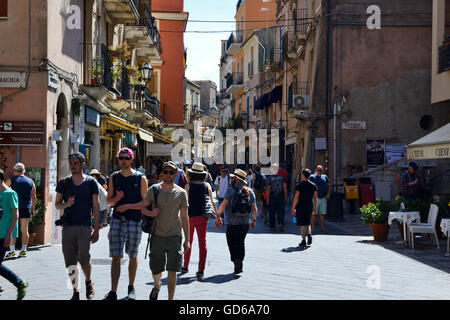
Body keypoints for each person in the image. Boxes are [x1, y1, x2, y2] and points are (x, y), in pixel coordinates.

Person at [103, 148, 148, 300]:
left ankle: (131, 287)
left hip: (134, 221)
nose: (123, 160)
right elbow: (108, 200)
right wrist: (117, 199)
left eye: (126, 158)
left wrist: (128, 206)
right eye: (121, 158)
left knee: (133, 255)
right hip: (117, 220)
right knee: (116, 256)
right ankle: (113, 291)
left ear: (131, 159)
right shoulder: (114, 177)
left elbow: (146, 202)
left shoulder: (140, 178)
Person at [55, 152, 100, 300]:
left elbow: (96, 205)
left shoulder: (91, 182)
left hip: (85, 227)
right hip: (68, 227)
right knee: (70, 262)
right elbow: (57, 205)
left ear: (83, 164)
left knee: (84, 259)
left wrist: (97, 229)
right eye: (71, 163)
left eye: (76, 163)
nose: (73, 166)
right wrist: (66, 204)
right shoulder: (63, 182)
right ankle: (75, 291)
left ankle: (88, 281)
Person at [143, 161, 190, 300]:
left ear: (176, 174)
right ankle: (157, 285)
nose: (168, 175)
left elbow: (184, 216)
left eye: (171, 172)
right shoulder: (154, 189)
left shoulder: (181, 193)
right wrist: (150, 213)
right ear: (162, 173)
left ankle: (171, 298)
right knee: (156, 269)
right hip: (157, 234)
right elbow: (143, 207)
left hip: (175, 236)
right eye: (166, 172)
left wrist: (187, 240)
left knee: (173, 269)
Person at [215, 169, 257, 275]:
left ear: (237, 179)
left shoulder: (230, 190)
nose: (232, 178)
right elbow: (254, 207)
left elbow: (223, 204)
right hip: (245, 222)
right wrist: (254, 220)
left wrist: (218, 216)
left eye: (233, 177)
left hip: (232, 222)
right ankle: (240, 261)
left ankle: (236, 260)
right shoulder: (249, 191)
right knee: (241, 242)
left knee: (231, 242)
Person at [182, 163, 216, 279]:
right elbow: (212, 202)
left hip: (189, 217)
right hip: (202, 217)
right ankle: (201, 269)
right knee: (203, 243)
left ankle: (185, 266)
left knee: (188, 241)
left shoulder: (188, 186)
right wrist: (217, 216)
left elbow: (184, 204)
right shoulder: (207, 186)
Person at [0, 169, 28, 300]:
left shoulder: (10, 194)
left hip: (4, 234)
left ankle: (19, 283)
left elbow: (15, 215)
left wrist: (9, 235)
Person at [4, 163, 36, 258]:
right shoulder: (31, 181)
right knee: (24, 229)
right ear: (24, 171)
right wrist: (32, 208)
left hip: (13, 208)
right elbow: (33, 197)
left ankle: (12, 251)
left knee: (13, 229)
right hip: (26, 207)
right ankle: (23, 250)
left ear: (14, 170)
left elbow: (3, 192)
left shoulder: (10, 180)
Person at [291, 169, 318, 248]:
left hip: (301, 206)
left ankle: (303, 241)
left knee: (302, 224)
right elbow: (316, 198)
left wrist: (293, 208)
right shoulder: (313, 185)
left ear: (303, 175)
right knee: (307, 222)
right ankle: (309, 234)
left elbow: (296, 198)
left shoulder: (300, 185)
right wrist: (315, 208)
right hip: (309, 206)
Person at [308, 165, 331, 233]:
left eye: (321, 170)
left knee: (322, 214)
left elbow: (329, 185)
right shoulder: (312, 177)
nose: (320, 171)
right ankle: (312, 228)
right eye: (318, 169)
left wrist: (328, 193)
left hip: (323, 198)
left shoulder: (325, 177)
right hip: (314, 198)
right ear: (315, 170)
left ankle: (322, 227)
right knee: (313, 213)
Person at [266, 164, 288, 232]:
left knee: (272, 211)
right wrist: (285, 197)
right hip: (280, 195)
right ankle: (280, 224)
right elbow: (285, 188)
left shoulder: (269, 178)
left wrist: (267, 199)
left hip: (272, 196)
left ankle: (272, 226)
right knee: (281, 211)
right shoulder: (282, 177)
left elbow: (268, 189)